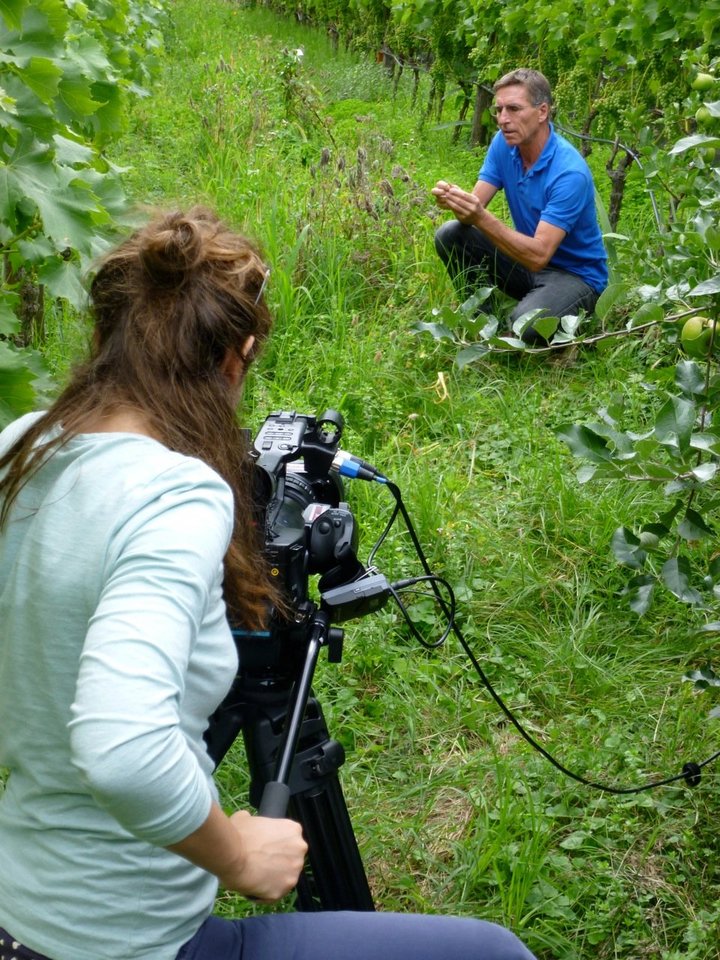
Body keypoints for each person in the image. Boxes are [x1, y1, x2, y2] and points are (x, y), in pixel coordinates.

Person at [0, 207, 537, 960]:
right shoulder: (177, 494)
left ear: (106, 339)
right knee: (495, 955)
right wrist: (239, 854)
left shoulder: (23, 445)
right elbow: (121, 748)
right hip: (128, 943)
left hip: (21, 907)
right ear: (234, 357)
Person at [433, 68, 608, 344]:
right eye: (499, 109)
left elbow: (539, 255)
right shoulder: (504, 145)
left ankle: (536, 317)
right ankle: (480, 321)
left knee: (524, 326)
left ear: (542, 112)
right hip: (529, 264)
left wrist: (479, 215)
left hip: (575, 276)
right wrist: (458, 202)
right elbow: (473, 212)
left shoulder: (568, 172)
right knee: (450, 234)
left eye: (514, 109)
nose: (503, 119)